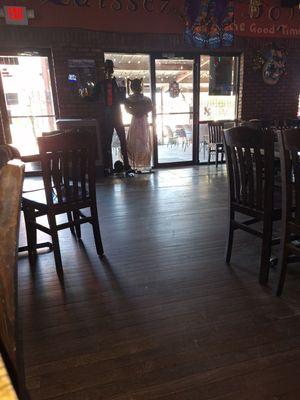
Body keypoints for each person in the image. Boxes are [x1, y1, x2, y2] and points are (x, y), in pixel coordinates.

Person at [82, 59, 133, 176]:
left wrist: (131, 102)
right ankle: (107, 167)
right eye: (107, 69)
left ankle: (127, 166)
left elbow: (123, 99)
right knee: (107, 142)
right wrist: (84, 97)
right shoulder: (100, 84)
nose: (109, 71)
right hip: (107, 115)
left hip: (117, 114)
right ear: (104, 70)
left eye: (110, 68)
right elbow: (93, 98)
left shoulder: (118, 82)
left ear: (112, 69)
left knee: (122, 141)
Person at [124, 79, 153, 172]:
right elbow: (127, 109)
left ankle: (140, 164)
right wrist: (140, 112)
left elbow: (150, 107)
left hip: (140, 120)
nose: (138, 88)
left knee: (141, 140)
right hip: (139, 120)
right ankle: (137, 164)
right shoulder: (144, 99)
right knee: (139, 140)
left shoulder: (144, 99)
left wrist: (137, 112)